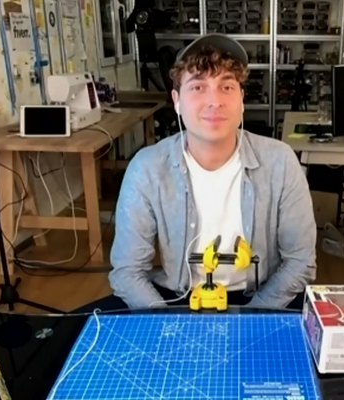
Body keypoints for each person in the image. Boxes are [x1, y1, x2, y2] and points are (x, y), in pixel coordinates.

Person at [108, 34, 317, 311]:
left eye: (226, 87)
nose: (214, 101)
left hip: (263, 296)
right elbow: (127, 271)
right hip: (179, 299)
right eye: (197, 87)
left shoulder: (281, 162)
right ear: (176, 100)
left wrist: (254, 318)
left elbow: (300, 262)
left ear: (242, 99)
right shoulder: (147, 169)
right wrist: (169, 326)